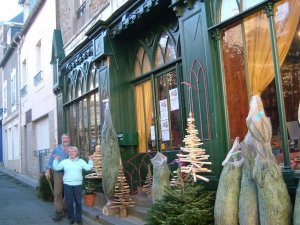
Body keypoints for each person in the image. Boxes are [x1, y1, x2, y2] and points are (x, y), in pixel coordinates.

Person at [53, 146, 94, 225]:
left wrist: (90, 160)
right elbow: (56, 167)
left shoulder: (81, 161)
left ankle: (79, 219)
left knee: (78, 202)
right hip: (67, 185)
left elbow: (88, 168)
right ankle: (71, 218)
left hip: (78, 185)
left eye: (73, 151)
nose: (71, 153)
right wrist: (55, 159)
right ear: (68, 153)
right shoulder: (65, 162)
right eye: (70, 151)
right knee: (69, 202)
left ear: (76, 152)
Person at [45, 134, 71, 222]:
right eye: (64, 138)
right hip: (58, 173)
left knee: (69, 192)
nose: (65, 139)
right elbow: (51, 160)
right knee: (57, 192)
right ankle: (58, 212)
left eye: (67, 138)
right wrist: (48, 170)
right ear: (61, 139)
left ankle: (66, 209)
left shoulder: (73, 149)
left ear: (69, 139)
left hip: (69, 173)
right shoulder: (57, 149)